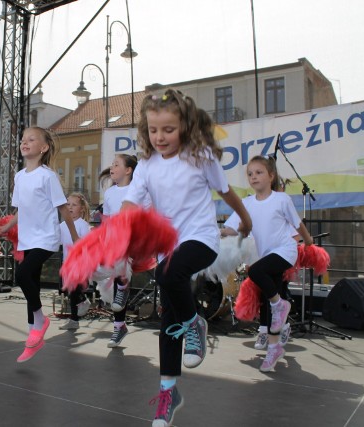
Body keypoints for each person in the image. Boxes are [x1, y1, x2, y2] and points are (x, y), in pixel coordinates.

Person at [122, 91, 252, 426]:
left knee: (168, 278)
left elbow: (226, 192)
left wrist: (245, 220)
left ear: (185, 126)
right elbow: (131, 205)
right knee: (169, 321)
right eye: (153, 130)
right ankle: (169, 392)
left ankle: (195, 322)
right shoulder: (147, 166)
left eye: (168, 129)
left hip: (202, 239)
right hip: (169, 246)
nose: (159, 137)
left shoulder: (200, 156)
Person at [0, 126, 79, 363]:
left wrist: (74, 235)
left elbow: (62, 207)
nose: (24, 142)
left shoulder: (47, 175)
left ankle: (40, 320)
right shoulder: (19, 176)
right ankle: (34, 335)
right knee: (31, 281)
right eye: (23, 139)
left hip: (46, 237)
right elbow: (21, 210)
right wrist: (6, 227)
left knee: (22, 275)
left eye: (31, 139)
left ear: (43, 148)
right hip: (27, 237)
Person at [221, 155, 313, 373]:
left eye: (259, 172)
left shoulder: (281, 200)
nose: (254, 177)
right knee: (268, 298)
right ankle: (274, 348)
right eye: (250, 174)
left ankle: (280, 304)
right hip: (264, 255)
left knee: (257, 274)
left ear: (271, 176)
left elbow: (297, 223)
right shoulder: (246, 203)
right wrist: (219, 232)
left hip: (284, 251)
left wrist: (308, 241)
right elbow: (234, 227)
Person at [98, 154, 149, 347]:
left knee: (121, 262)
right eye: (111, 164)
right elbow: (109, 221)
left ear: (128, 170)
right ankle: (119, 326)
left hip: (137, 240)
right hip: (116, 241)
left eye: (116, 164)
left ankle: (122, 287)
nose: (112, 167)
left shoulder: (138, 190)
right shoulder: (110, 193)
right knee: (111, 287)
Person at [58, 192, 92, 330]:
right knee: (69, 290)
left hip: (79, 263)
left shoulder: (83, 225)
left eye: (74, 205)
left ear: (82, 209)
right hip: (67, 262)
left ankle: (83, 301)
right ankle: (74, 319)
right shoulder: (62, 225)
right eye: (68, 204)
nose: (70, 207)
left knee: (74, 288)